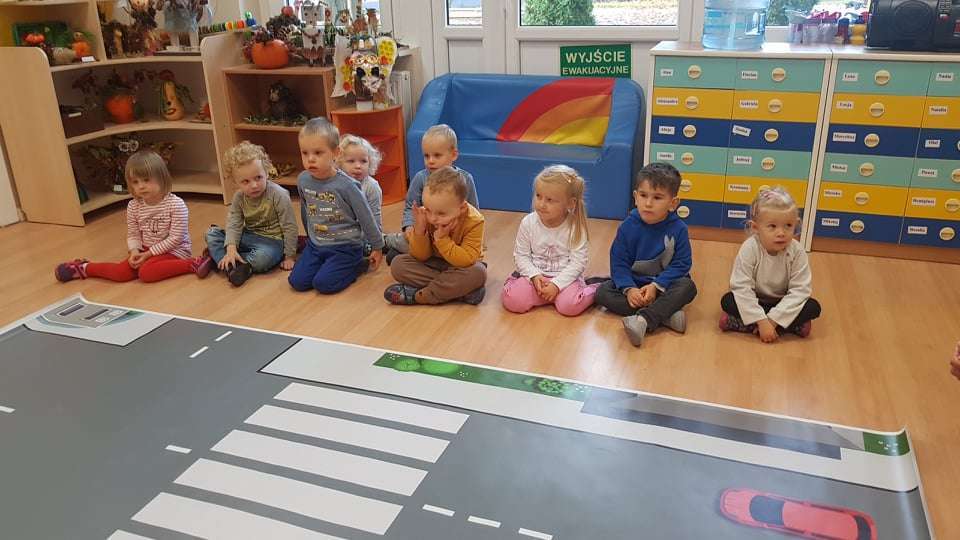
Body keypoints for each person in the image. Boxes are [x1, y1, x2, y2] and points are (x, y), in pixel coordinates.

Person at [55, 150, 212, 283]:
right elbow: (133, 234)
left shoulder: (176, 205)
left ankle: (194, 262)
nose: (141, 186)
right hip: (146, 250)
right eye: (135, 182)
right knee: (120, 273)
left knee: (146, 273)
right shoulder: (134, 206)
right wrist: (135, 251)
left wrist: (149, 254)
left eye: (146, 180)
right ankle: (83, 268)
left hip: (175, 251)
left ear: (162, 178)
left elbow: (176, 238)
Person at [595, 163, 697, 347]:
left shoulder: (679, 229)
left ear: (673, 203)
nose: (648, 203)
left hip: (664, 286)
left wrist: (656, 286)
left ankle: (644, 319)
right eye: (643, 195)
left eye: (657, 197)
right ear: (635, 197)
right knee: (602, 292)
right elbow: (619, 263)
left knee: (688, 287)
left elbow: (682, 265)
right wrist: (629, 289)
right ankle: (665, 315)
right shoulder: (627, 226)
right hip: (635, 284)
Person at [288, 117, 383, 294]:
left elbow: (366, 217)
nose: (310, 159)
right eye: (305, 153)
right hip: (316, 246)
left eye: (318, 153)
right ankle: (327, 265)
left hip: (345, 247)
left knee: (323, 284)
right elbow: (306, 210)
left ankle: (357, 265)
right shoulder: (303, 180)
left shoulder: (348, 185)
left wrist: (377, 246)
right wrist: (310, 237)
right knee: (297, 282)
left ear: (335, 153)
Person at [719, 186, 821, 342]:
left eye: (788, 226)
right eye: (772, 226)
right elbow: (741, 287)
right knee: (728, 300)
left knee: (813, 307)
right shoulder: (750, 248)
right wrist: (761, 320)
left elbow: (800, 290)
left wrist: (772, 321)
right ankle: (787, 327)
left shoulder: (797, 251)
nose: (781, 233)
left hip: (782, 301)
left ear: (796, 224)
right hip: (756, 299)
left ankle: (748, 325)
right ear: (755, 227)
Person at [502, 165, 599, 316]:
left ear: (570, 203)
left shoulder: (575, 227)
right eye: (538, 196)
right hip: (536, 278)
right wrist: (534, 275)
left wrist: (557, 285)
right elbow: (521, 255)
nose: (541, 204)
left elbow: (578, 263)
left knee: (569, 306)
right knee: (513, 301)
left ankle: (595, 288)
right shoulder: (528, 223)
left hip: (566, 280)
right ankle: (516, 281)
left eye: (550, 200)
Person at [384, 166, 486, 305]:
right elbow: (421, 256)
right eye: (428, 210)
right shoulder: (426, 215)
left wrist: (442, 240)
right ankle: (461, 292)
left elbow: (467, 260)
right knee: (398, 265)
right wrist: (420, 231)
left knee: (478, 273)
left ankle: (419, 296)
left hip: (461, 267)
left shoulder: (475, 221)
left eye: (441, 213)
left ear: (462, 208)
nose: (432, 218)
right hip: (434, 262)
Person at [205, 141, 298, 286]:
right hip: (248, 236)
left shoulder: (279, 195)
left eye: (258, 178)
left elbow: (289, 226)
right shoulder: (239, 197)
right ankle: (232, 263)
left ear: (266, 172)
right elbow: (234, 223)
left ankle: (224, 263)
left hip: (272, 241)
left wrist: (290, 256)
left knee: (262, 259)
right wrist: (231, 248)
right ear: (236, 182)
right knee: (212, 234)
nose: (254, 185)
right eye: (245, 181)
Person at [383, 124, 479, 262]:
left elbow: (473, 210)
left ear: (453, 155)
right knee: (407, 241)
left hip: (453, 235)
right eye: (426, 156)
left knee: (467, 256)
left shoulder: (465, 179)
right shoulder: (420, 178)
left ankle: (407, 255)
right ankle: (386, 242)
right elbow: (411, 207)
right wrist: (409, 226)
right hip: (426, 234)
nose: (430, 161)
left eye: (437, 155)